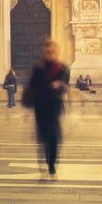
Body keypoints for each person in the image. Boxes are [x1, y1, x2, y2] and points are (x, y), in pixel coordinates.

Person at [22, 39, 69, 176]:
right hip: (40, 105)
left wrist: (60, 85)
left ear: (56, 51)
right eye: (47, 50)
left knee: (53, 137)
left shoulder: (62, 67)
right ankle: (47, 158)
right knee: (43, 136)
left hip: (54, 105)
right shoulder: (38, 67)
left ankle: (51, 163)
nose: (49, 52)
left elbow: (65, 85)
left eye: (52, 50)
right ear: (44, 52)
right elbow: (31, 85)